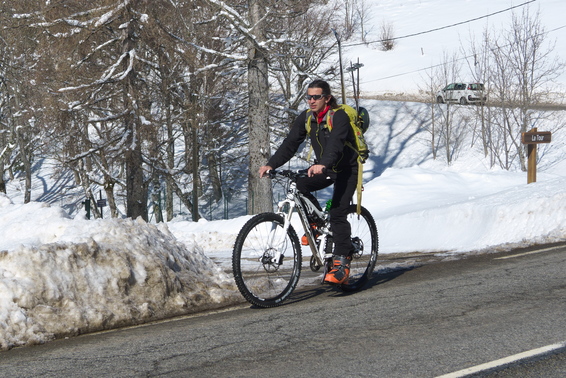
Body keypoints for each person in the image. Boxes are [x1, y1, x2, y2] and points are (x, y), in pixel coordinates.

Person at [258, 79, 358, 285]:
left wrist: (323, 163)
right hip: (324, 166)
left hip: (346, 169)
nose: (311, 101)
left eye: (316, 97)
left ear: (327, 98)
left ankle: (342, 263)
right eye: (309, 97)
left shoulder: (338, 116)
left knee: (338, 212)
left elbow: (336, 144)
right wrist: (271, 164)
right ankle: (317, 225)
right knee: (300, 185)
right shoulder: (306, 118)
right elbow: (291, 143)